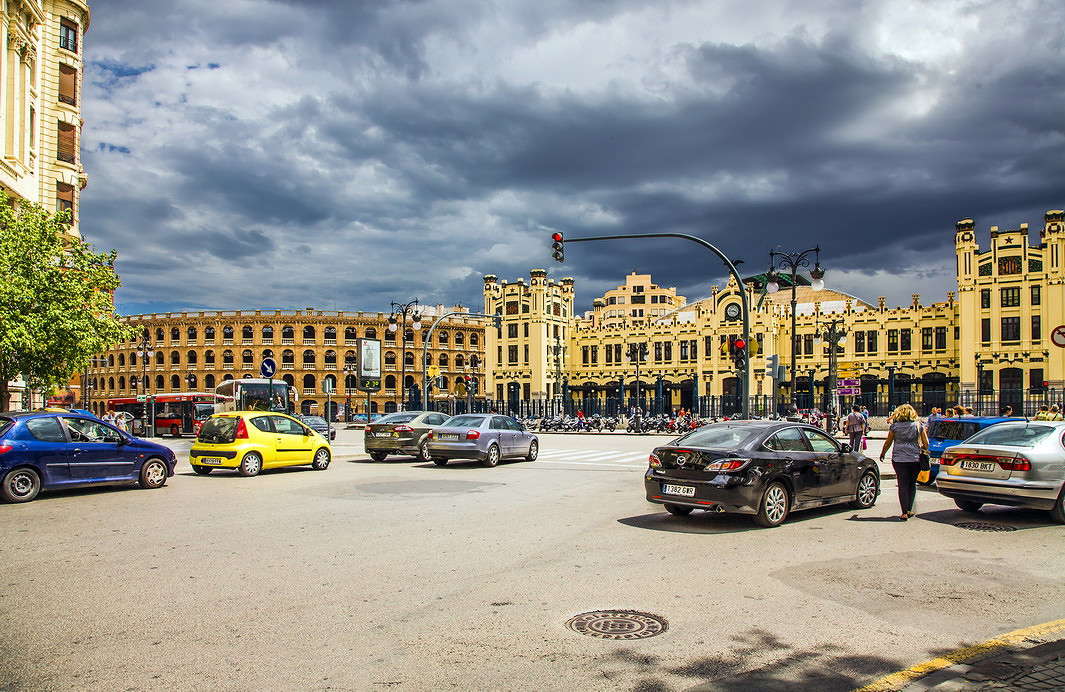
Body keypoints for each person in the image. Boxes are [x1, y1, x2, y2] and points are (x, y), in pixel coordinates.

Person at [879, 404, 928, 521]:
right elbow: (926, 443)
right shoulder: (918, 425)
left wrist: (883, 453)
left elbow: (888, 442)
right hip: (915, 459)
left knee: (902, 484)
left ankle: (904, 512)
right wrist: (920, 448)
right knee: (912, 484)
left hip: (899, 459)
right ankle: (909, 509)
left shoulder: (894, 427)